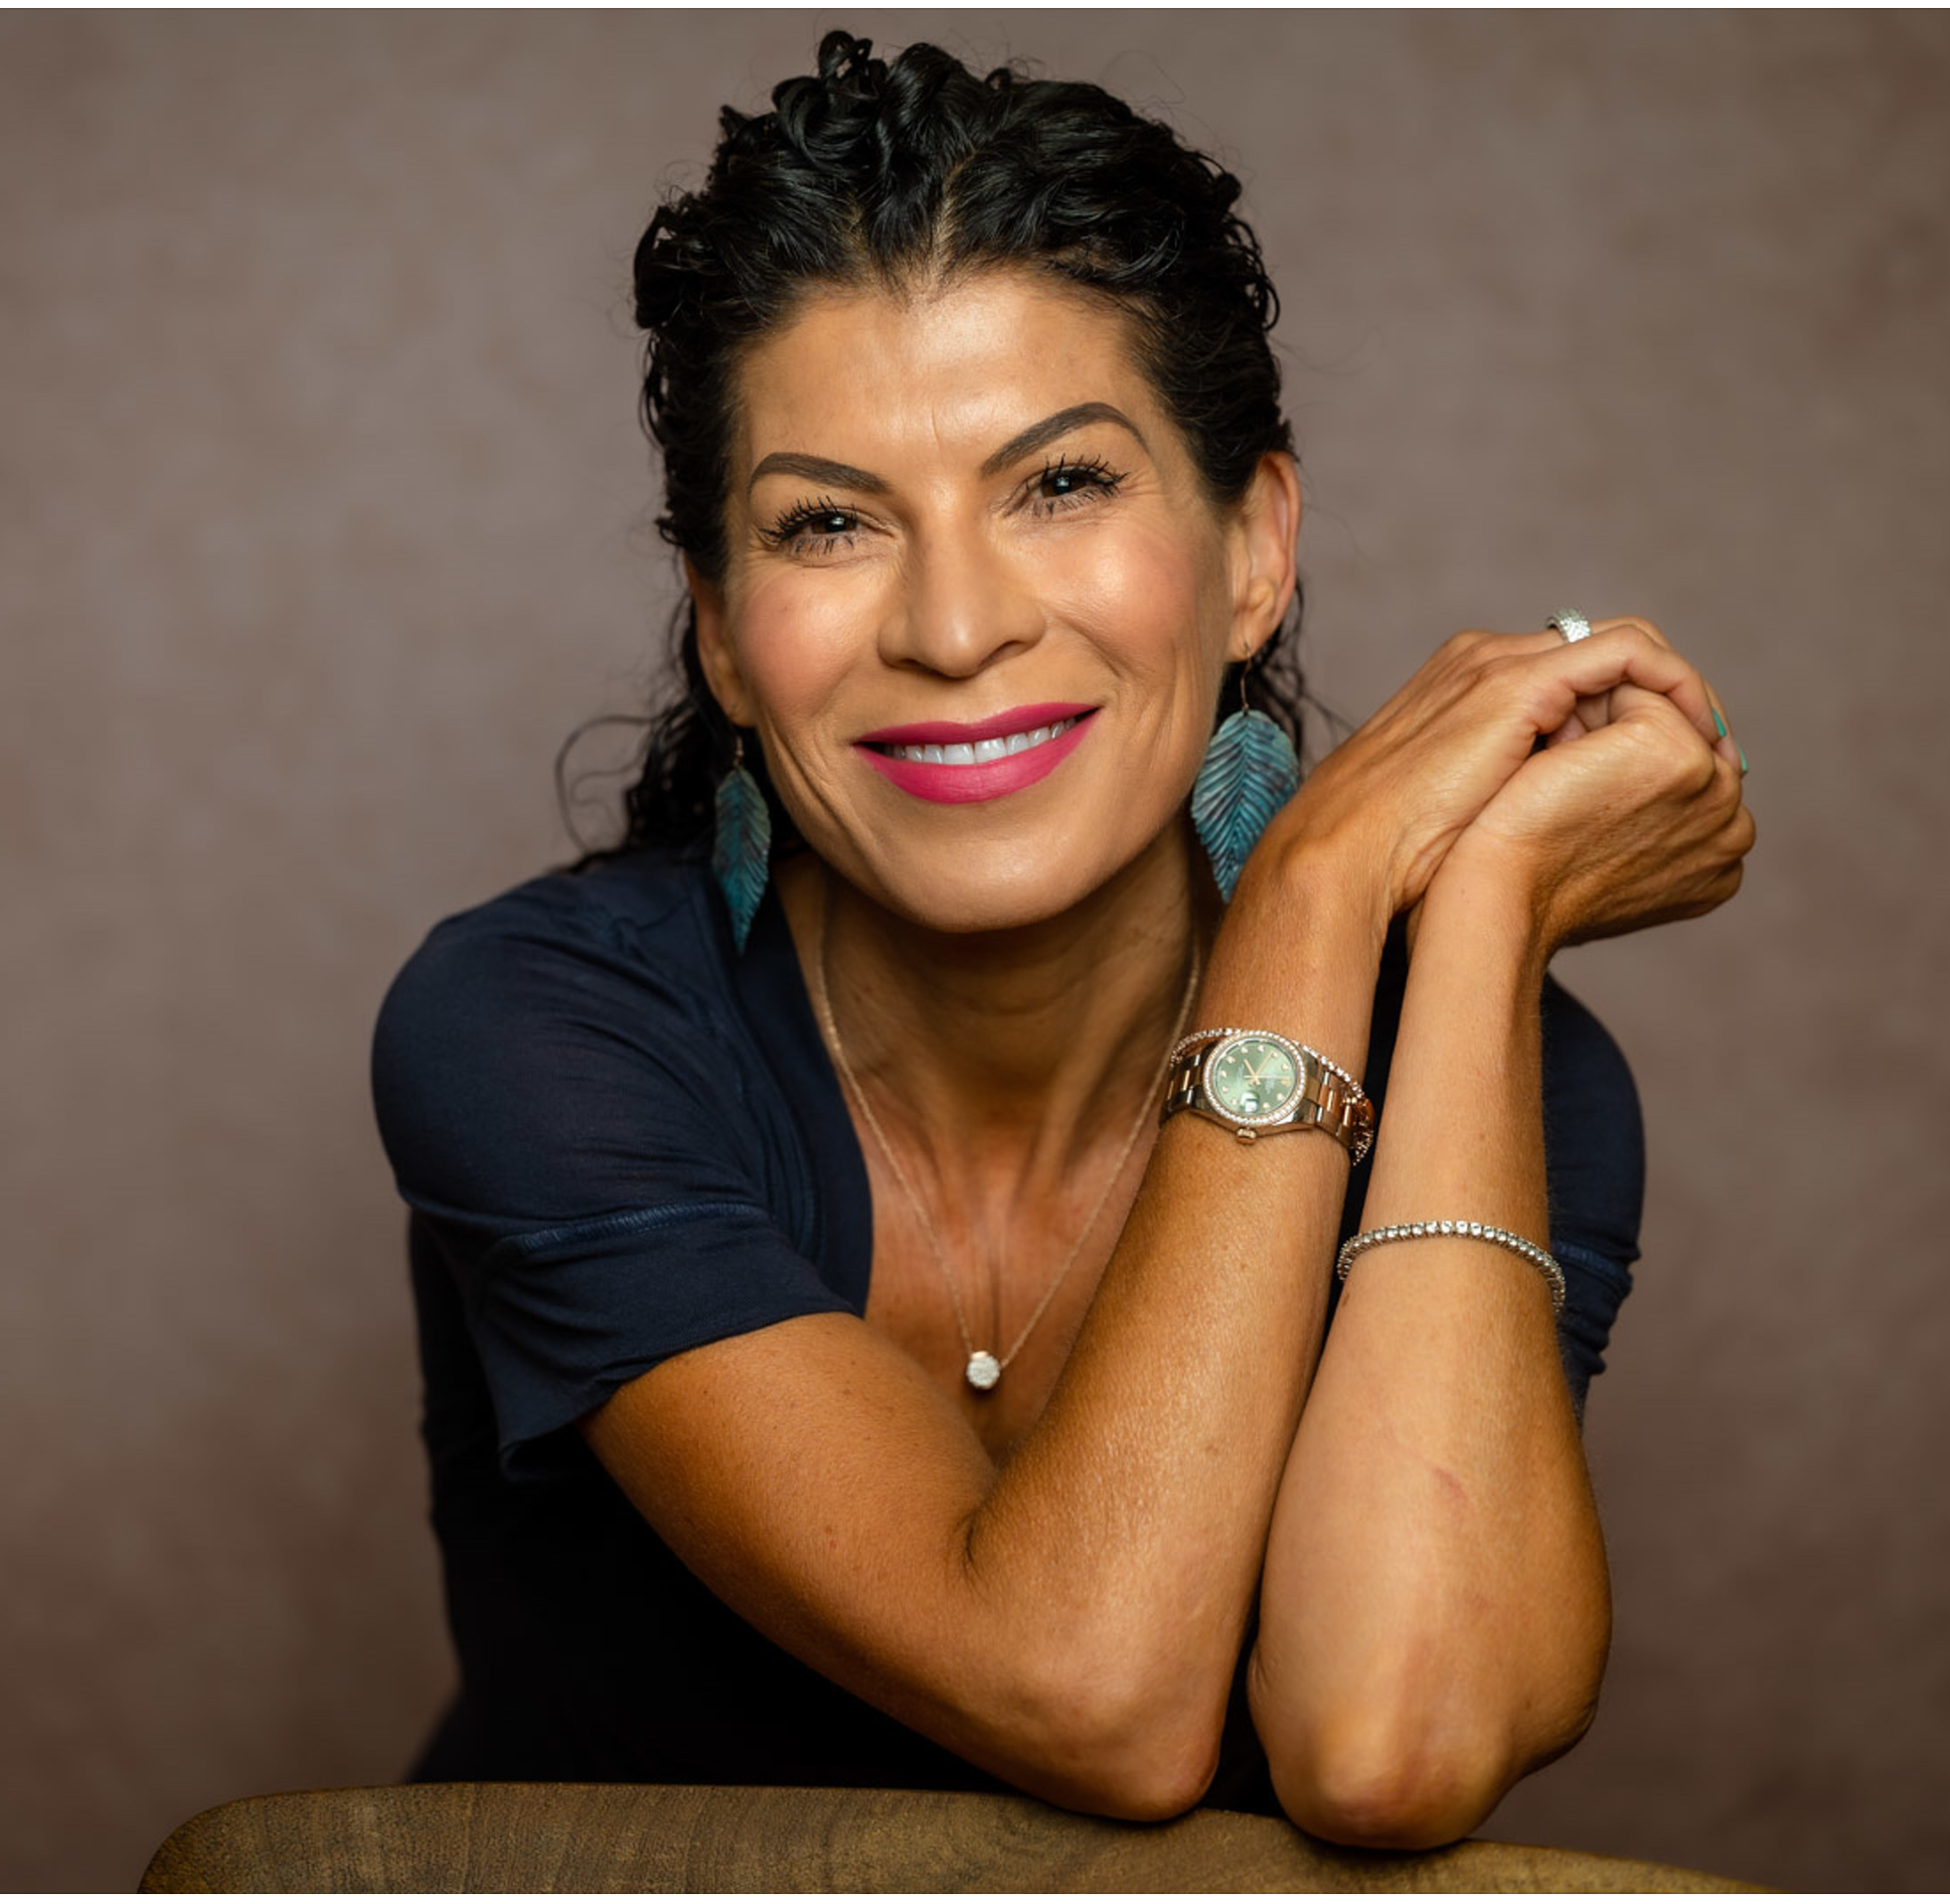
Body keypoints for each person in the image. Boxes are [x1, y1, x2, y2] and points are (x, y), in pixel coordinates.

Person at [372, 31, 1753, 1847]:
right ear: (720, 628)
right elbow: (1090, 1691)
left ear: (1253, 547)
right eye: (828, 523)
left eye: (1061, 484)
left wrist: (1477, 911)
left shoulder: (1505, 1074)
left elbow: (1390, 1741)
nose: (952, 627)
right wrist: (1327, 876)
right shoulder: (537, 1030)